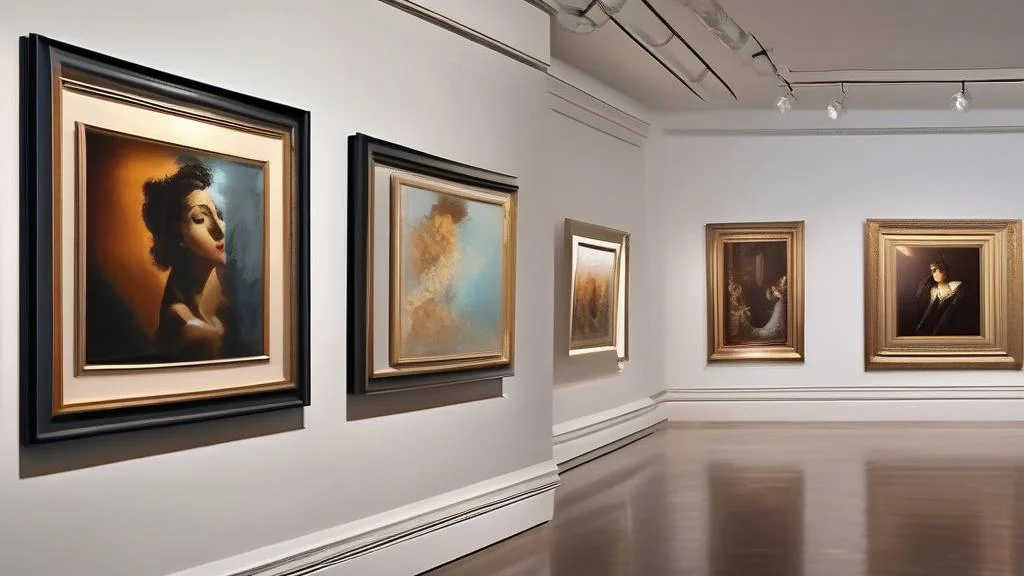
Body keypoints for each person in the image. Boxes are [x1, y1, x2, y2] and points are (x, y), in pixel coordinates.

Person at [141, 160, 229, 360]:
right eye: (200, 219)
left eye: (219, 215)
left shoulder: (219, 284)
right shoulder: (186, 325)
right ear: (177, 234)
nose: (219, 229)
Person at [914, 255, 965, 336]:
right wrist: (921, 324)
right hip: (932, 329)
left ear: (943, 271)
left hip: (950, 329)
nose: (932, 274)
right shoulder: (934, 290)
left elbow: (950, 311)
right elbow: (929, 309)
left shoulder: (955, 286)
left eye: (934, 270)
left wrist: (937, 330)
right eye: (931, 271)